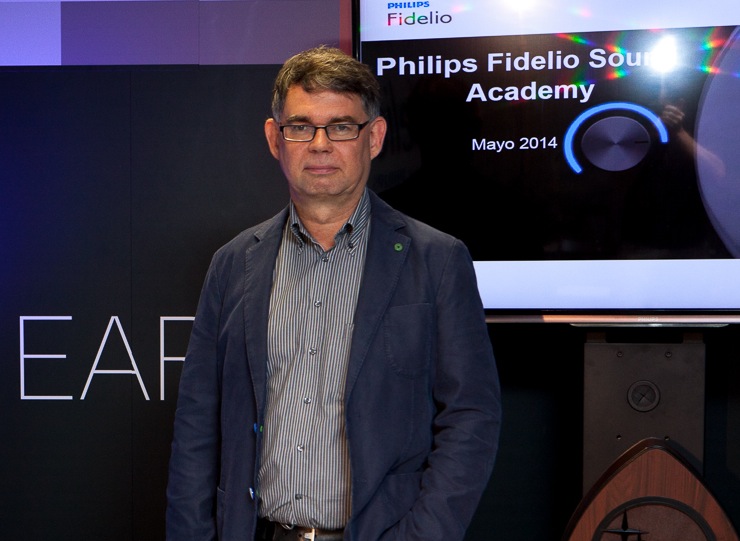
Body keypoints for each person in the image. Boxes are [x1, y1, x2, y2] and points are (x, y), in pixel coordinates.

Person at [166, 45, 502, 541]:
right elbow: (197, 424)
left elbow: (471, 417)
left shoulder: (438, 261)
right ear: (275, 138)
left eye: (342, 127)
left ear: (375, 137)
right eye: (300, 127)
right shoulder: (233, 264)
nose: (320, 145)